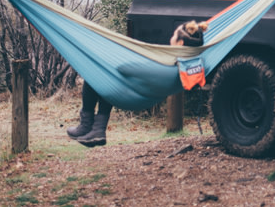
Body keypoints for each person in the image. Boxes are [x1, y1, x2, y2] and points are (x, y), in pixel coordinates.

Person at [65, 20, 207, 147]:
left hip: (132, 98)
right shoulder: (187, 65)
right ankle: (96, 130)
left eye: (174, 35)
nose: (171, 37)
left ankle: (87, 126)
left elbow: (124, 68)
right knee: (105, 75)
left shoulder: (169, 68)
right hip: (138, 94)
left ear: (180, 43)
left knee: (97, 72)